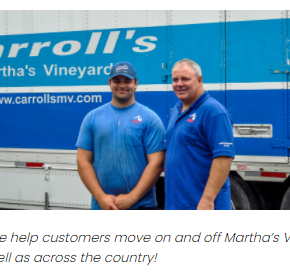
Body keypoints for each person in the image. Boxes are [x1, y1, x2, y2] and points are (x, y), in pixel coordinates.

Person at [76, 61, 166, 210]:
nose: (122, 85)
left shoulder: (150, 119)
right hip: (103, 206)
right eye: (117, 81)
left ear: (136, 83)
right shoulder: (92, 118)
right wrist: (101, 197)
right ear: (109, 83)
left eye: (127, 81)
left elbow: (156, 163)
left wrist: (132, 198)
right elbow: (83, 161)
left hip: (141, 207)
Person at [165, 59, 235, 210]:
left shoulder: (213, 111)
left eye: (185, 79)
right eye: (175, 79)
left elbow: (223, 157)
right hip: (177, 204)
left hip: (201, 206)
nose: (179, 84)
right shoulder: (178, 108)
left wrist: (207, 200)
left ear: (199, 80)